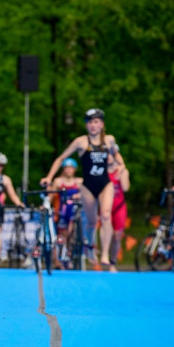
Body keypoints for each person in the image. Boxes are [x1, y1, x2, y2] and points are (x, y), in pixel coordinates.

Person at [40, 108, 125, 268]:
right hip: (88, 186)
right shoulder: (81, 142)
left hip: (105, 184)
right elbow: (61, 158)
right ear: (86, 125)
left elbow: (116, 154)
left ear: (101, 124)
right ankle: (91, 245)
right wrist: (49, 177)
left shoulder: (109, 140)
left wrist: (121, 165)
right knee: (92, 222)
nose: (93, 125)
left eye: (96, 122)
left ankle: (105, 253)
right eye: (90, 122)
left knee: (106, 216)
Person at [49, 158, 82, 268]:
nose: (68, 170)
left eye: (70, 168)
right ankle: (59, 259)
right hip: (62, 212)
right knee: (61, 235)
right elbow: (51, 195)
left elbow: (87, 195)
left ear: (74, 169)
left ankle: (70, 255)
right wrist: (46, 203)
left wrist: (79, 196)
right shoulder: (58, 181)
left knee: (72, 232)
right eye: (66, 168)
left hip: (74, 212)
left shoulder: (79, 182)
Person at [107, 163, 130, 272]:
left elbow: (125, 188)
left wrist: (121, 174)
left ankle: (113, 262)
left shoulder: (122, 171)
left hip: (119, 207)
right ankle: (104, 257)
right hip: (105, 208)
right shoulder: (101, 171)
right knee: (107, 234)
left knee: (117, 236)